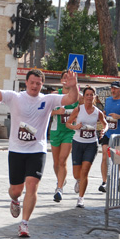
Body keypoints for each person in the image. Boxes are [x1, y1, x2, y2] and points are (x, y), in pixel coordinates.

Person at [0, 67, 79, 237]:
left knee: (32, 185)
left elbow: (72, 98)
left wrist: (74, 85)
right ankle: (14, 199)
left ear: (42, 84)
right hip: (16, 150)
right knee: (16, 190)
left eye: (38, 83)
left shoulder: (48, 99)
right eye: (32, 82)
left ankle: (24, 223)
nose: (35, 86)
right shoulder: (15, 97)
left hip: (37, 150)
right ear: (26, 82)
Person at [66, 86, 107, 208]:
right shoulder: (78, 109)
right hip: (78, 142)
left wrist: (103, 131)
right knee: (76, 174)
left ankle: (81, 198)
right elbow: (68, 123)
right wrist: (75, 127)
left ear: (94, 97)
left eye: (91, 95)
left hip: (91, 144)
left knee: (85, 171)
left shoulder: (98, 112)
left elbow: (105, 125)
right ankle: (78, 181)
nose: (89, 97)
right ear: (84, 97)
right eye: (87, 94)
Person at [49, 70, 78, 203]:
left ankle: (59, 188)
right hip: (56, 131)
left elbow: (86, 110)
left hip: (69, 132)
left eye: (69, 78)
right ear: (61, 81)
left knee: (62, 160)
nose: (66, 80)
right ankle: (62, 179)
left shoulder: (78, 96)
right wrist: (56, 112)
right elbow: (45, 112)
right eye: (64, 78)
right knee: (56, 163)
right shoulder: (55, 95)